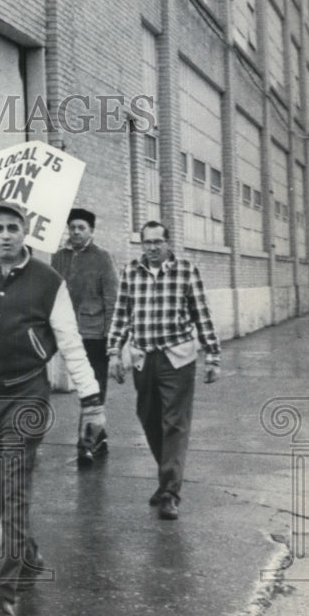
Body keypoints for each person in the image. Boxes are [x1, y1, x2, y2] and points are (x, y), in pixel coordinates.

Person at [0, 201, 103, 616]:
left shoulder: (49, 280)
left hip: (27, 396)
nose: (6, 235)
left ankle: (4, 593)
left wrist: (92, 400)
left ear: (26, 231)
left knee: (13, 489)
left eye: (14, 227)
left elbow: (70, 342)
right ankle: (27, 555)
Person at [106, 220, 221, 522]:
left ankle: (170, 492)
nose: (153, 248)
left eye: (158, 242)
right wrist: (114, 352)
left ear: (169, 243)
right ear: (141, 244)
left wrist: (212, 356)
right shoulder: (131, 272)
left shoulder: (185, 271)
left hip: (177, 359)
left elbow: (202, 314)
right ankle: (166, 477)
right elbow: (121, 316)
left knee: (174, 425)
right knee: (149, 419)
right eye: (147, 242)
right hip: (144, 358)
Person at [50, 207, 118, 466]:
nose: (76, 232)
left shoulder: (103, 258)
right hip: (67, 333)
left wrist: (112, 337)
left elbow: (113, 299)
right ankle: (98, 436)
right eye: (73, 227)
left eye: (82, 228)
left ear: (91, 231)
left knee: (93, 388)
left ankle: (86, 443)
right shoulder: (58, 258)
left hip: (95, 334)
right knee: (85, 388)